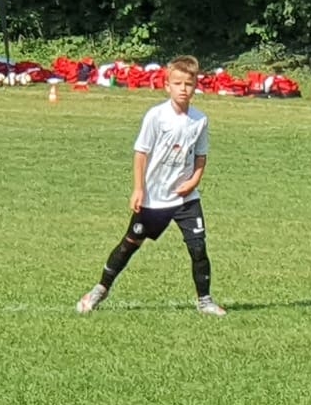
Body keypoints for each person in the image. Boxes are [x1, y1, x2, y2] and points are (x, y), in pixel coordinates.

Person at [76, 55, 226, 316]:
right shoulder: (156, 116)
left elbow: (201, 156)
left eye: (188, 84)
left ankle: (205, 301)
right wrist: (138, 189)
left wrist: (193, 181)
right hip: (154, 198)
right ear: (167, 86)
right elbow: (141, 153)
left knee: (198, 247)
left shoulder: (200, 120)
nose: (183, 89)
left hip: (186, 198)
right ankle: (100, 289)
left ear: (195, 86)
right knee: (130, 243)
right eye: (177, 83)